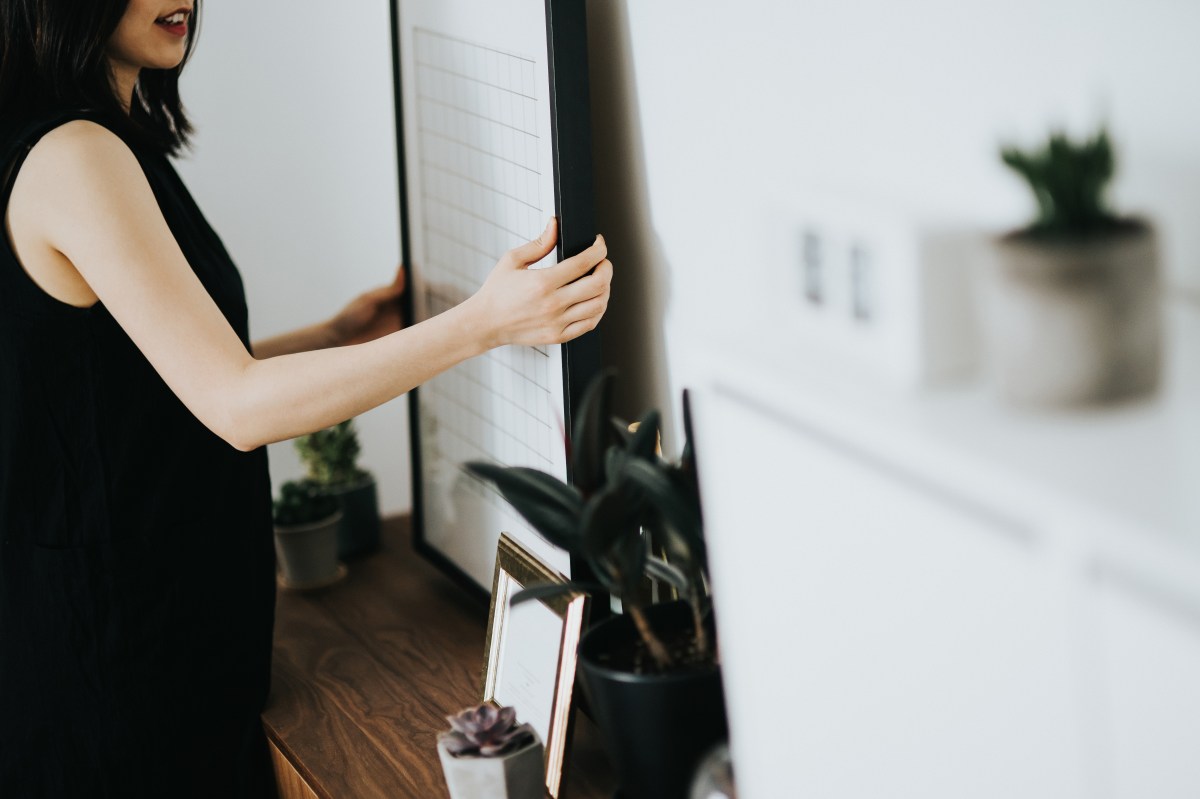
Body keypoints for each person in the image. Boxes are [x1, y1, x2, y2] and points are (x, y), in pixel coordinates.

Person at [0, 0, 612, 795]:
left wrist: (338, 334)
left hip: (135, 660)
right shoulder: (74, 155)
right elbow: (237, 405)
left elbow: (156, 383)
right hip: (116, 690)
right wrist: (483, 325)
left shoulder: (87, 141)